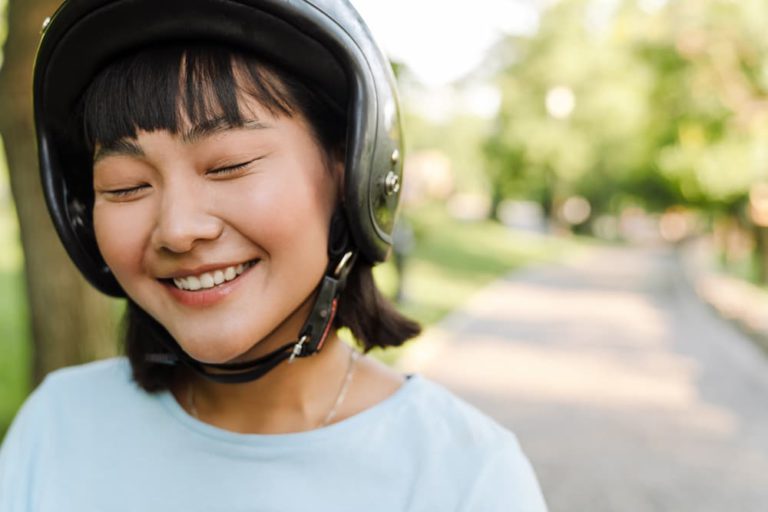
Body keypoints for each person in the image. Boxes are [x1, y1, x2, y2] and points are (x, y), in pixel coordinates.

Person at [0, 1, 548, 510]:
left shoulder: (464, 477)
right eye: (124, 187)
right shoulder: (57, 427)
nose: (178, 229)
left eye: (228, 166)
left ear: (350, 173)